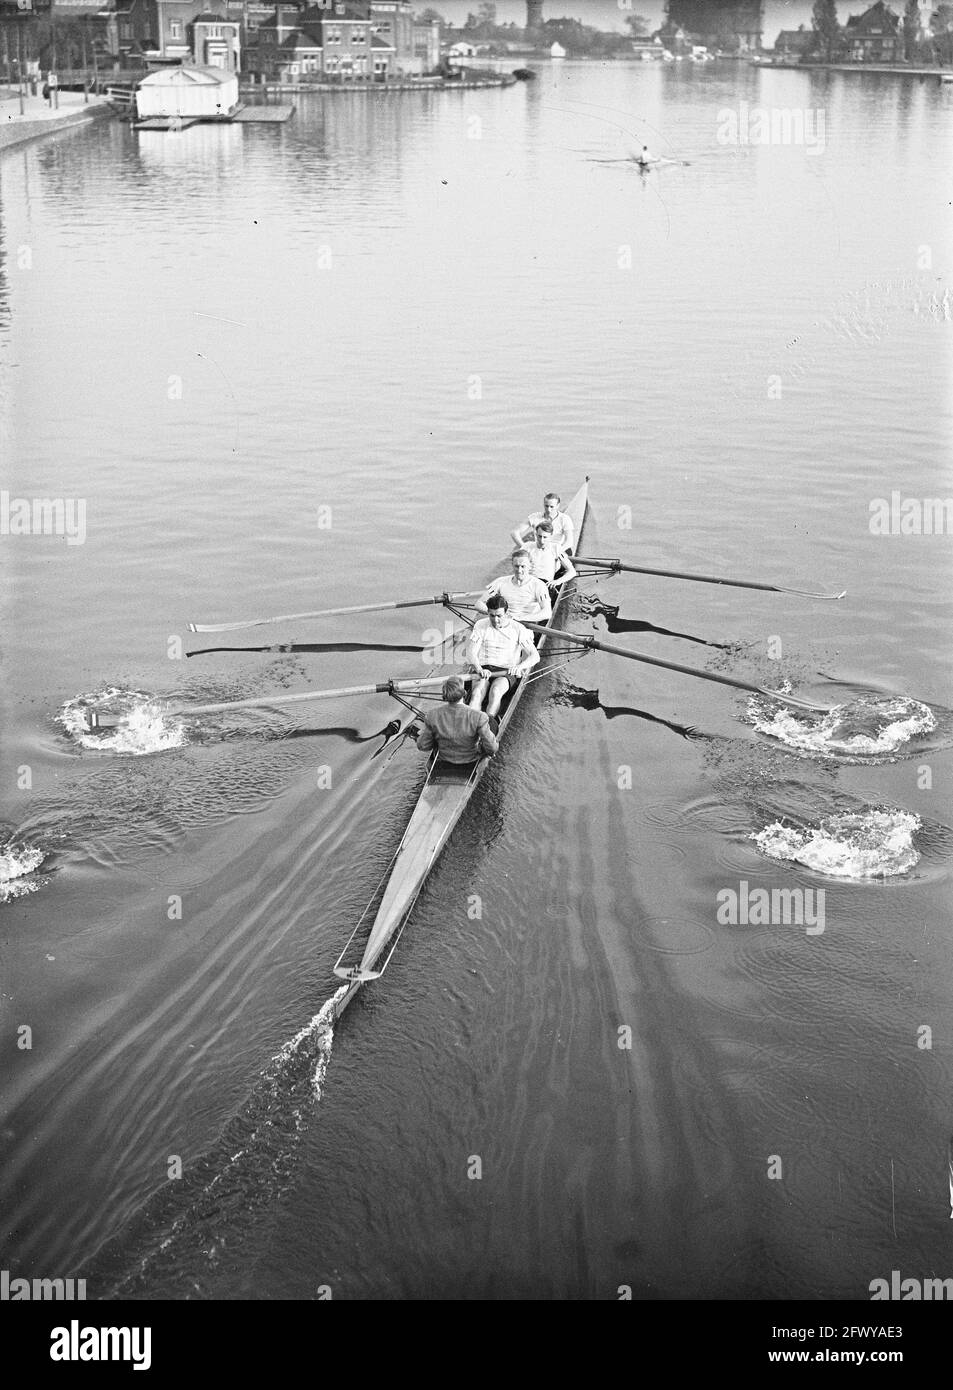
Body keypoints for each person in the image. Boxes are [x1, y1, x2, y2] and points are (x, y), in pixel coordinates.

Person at [466, 593, 539, 719]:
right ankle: (469, 725)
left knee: (495, 692)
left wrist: (520, 667)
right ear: (487, 612)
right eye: (492, 616)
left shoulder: (518, 629)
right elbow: (471, 653)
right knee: (477, 693)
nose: (495, 620)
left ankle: (487, 726)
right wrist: (478, 668)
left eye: (499, 616)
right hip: (483, 669)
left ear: (506, 613)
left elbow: (535, 656)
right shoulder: (480, 625)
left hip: (506, 671)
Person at [416, 674, 498, 764]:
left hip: (444, 759)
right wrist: (488, 751)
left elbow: (422, 746)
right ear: (464, 693)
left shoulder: (432, 715)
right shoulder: (480, 716)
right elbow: (492, 749)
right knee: (491, 721)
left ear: (445, 695)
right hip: (471, 759)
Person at [476, 549, 552, 625]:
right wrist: (497, 614)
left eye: (523, 566)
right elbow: (478, 603)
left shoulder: (539, 585)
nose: (519, 570)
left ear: (530, 566)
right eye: (516, 566)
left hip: (525, 625)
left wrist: (519, 618)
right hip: (503, 621)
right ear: (512, 565)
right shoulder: (500, 582)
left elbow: (547, 613)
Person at [511, 492, 575, 556]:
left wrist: (557, 552)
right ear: (544, 504)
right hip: (539, 551)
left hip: (557, 550)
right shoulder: (535, 517)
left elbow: (569, 541)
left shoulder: (565, 519)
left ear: (558, 505)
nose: (549, 510)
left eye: (552, 507)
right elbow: (514, 532)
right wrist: (525, 548)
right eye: (546, 506)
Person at [527, 518, 577, 589]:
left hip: (544, 584)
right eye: (539, 536)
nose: (542, 541)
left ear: (551, 536)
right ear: (535, 534)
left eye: (545, 537)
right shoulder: (527, 546)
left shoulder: (556, 548)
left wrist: (557, 581)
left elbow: (572, 572)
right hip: (527, 582)